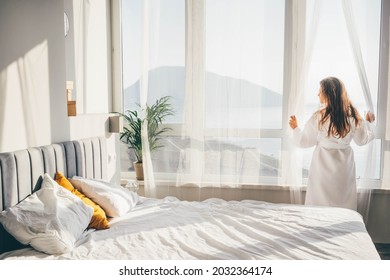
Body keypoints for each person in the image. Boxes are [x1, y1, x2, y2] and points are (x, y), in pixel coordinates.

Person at [288, 77, 375, 210]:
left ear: (328, 93)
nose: (317, 94)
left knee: (319, 205)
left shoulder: (319, 117)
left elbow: (304, 141)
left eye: (320, 91)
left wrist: (295, 129)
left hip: (321, 168)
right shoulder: (353, 117)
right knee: (343, 202)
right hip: (344, 168)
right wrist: (368, 123)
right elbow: (362, 140)